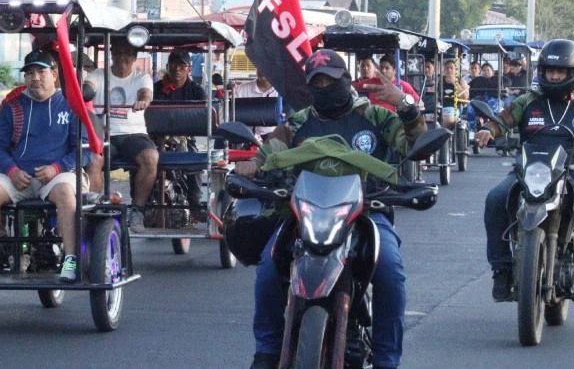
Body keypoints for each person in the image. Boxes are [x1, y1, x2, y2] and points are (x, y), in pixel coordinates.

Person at [235, 49, 426, 369]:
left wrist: (405, 105)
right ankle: (266, 352)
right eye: (317, 82)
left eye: (330, 80)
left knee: (390, 271)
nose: (324, 87)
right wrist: (250, 167)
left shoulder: (375, 117)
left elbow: (416, 145)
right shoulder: (299, 122)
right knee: (268, 267)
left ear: (346, 80)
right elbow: (266, 154)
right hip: (305, 216)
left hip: (366, 213)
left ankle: (387, 360)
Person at [476, 40, 574, 306]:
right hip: (530, 169)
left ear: (573, 73)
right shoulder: (528, 101)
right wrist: (488, 130)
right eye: (550, 71)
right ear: (541, 71)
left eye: (561, 71)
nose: (554, 76)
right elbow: (502, 121)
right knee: (495, 198)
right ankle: (501, 270)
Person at [0, 49, 89, 283]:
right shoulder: (13, 107)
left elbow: (84, 149)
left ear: (54, 74)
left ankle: (71, 259)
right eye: (30, 73)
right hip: (19, 175)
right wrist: (11, 171)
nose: (35, 78)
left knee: (65, 192)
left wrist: (57, 168)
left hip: (58, 175)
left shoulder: (71, 105)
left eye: (41, 72)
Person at [86, 39, 158, 233]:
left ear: (134, 58)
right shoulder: (98, 74)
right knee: (92, 159)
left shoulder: (141, 77)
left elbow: (145, 93)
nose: (122, 58)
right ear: (112, 55)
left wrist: (143, 101)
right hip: (104, 133)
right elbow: (88, 86)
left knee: (151, 158)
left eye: (127, 54)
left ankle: (138, 210)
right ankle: (93, 209)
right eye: (117, 53)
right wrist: (85, 91)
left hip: (133, 134)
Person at [154, 49, 208, 213]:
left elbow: (204, 115)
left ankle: (195, 203)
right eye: (173, 65)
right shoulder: (155, 88)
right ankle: (139, 206)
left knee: (195, 163)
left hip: (185, 137)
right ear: (167, 66)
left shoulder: (196, 91)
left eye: (182, 66)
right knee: (140, 163)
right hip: (157, 137)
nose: (177, 69)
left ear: (189, 69)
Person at [234, 67, 280, 137]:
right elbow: (229, 116)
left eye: (267, 67)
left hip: (274, 138)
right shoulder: (241, 89)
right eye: (260, 67)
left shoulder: (282, 92)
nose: (263, 70)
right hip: (244, 137)